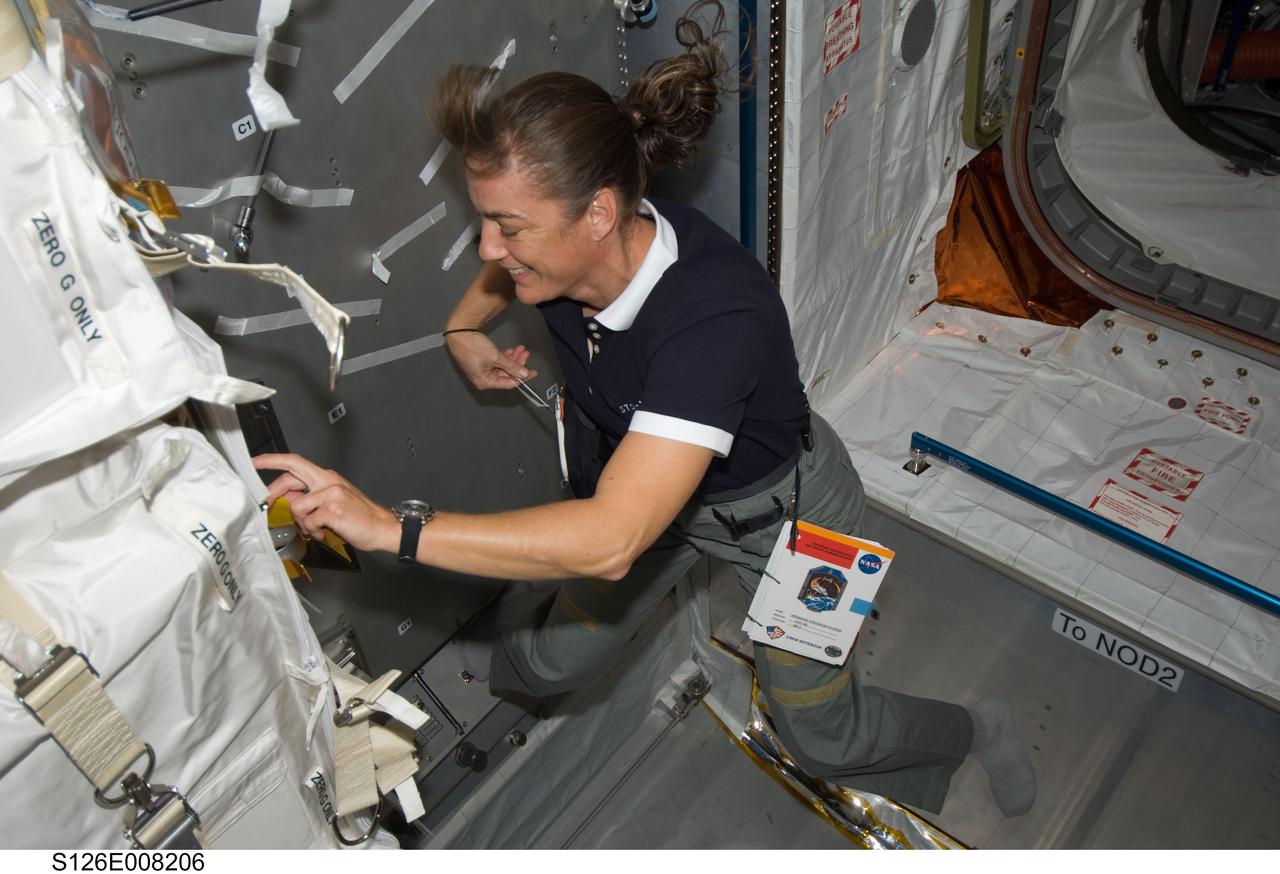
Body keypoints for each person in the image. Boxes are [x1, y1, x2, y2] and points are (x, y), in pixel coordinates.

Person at [253, 0, 1034, 818]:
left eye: (507, 227)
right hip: (650, 492)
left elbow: (613, 541)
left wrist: (390, 528)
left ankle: (973, 729)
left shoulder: (712, 319)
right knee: (551, 658)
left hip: (784, 517)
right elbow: (501, 279)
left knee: (820, 737)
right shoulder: (558, 262)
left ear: (597, 213)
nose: (488, 249)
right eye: (485, 220)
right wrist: (461, 327)